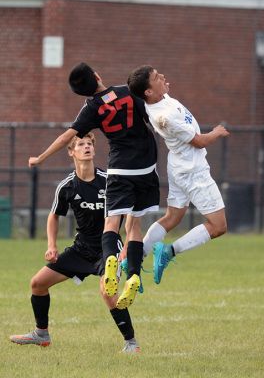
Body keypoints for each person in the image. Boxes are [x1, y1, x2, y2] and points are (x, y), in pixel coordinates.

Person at [28, 63, 160, 309]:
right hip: (144, 168)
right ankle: (133, 275)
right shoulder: (127, 91)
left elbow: (66, 136)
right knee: (134, 224)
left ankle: (110, 258)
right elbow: (155, 117)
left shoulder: (92, 107)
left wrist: (41, 158)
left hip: (119, 169)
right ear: (98, 76)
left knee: (111, 223)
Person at [10, 133, 140, 353]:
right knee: (38, 284)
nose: (86, 147)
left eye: (90, 144)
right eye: (81, 144)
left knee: (107, 291)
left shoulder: (109, 180)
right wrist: (51, 245)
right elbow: (53, 216)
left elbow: (130, 214)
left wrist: (128, 245)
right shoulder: (67, 186)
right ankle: (41, 333)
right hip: (82, 248)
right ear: (71, 152)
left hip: (108, 248)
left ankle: (131, 343)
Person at [128, 65, 229, 284]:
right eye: (156, 77)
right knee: (218, 226)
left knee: (172, 217)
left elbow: (155, 94)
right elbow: (200, 141)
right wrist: (217, 132)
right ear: (148, 92)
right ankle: (169, 251)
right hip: (193, 170)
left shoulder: (157, 100)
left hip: (178, 165)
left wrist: (161, 89)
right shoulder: (164, 116)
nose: (162, 76)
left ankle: (133, 259)